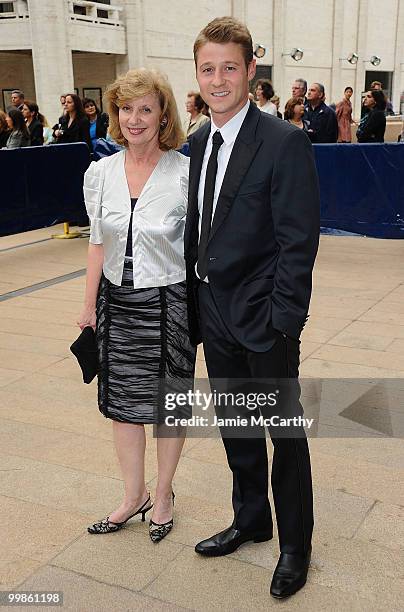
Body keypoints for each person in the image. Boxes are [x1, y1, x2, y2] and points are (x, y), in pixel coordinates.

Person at [185, 16, 319, 600]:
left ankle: (295, 546)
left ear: (250, 72)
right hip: (213, 314)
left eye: (229, 68)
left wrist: (282, 319)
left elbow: (298, 241)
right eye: (208, 69)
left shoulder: (284, 141)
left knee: (283, 435)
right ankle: (250, 519)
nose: (219, 80)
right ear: (198, 74)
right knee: (237, 428)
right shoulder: (194, 144)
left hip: (265, 319)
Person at [79, 68, 196, 542]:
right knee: (123, 407)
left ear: (163, 114)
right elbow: (95, 242)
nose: (134, 118)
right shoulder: (100, 172)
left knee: (168, 406)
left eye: (145, 108)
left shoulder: (185, 172)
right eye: (126, 109)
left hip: (169, 302)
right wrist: (88, 308)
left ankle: (164, 495)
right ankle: (134, 496)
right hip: (116, 304)